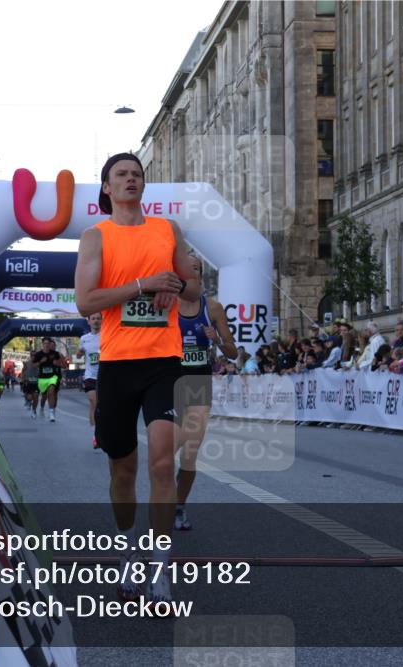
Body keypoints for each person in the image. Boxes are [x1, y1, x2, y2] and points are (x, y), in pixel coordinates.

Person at [74, 152, 199, 606]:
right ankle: (128, 548)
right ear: (106, 188)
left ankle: (161, 569)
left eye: (137, 174)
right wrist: (143, 285)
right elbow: (86, 302)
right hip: (117, 364)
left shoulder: (167, 230)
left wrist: (177, 286)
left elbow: (195, 288)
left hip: (164, 361)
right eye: (122, 175)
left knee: (163, 463)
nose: (131, 179)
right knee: (122, 470)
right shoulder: (96, 237)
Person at [174, 256, 237, 531]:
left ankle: (178, 506)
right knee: (165, 452)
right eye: (186, 268)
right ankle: (162, 498)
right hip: (167, 380)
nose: (191, 273)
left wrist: (218, 341)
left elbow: (234, 352)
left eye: (196, 269)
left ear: (200, 276)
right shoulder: (166, 305)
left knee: (190, 451)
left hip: (198, 380)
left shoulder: (212, 307)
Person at [76, 312, 103, 448]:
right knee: (95, 402)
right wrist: (79, 353)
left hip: (105, 376)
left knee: (97, 406)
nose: (96, 321)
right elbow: (79, 353)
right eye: (93, 319)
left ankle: (101, 431)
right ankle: (95, 436)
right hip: (90, 376)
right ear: (89, 321)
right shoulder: (84, 338)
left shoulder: (107, 335)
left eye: (98, 318)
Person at [31, 337, 65, 421]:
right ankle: (36, 409)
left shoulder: (55, 353)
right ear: (42, 344)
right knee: (41, 397)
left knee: (51, 392)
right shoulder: (38, 354)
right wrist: (40, 362)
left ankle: (51, 413)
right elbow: (34, 366)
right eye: (45, 343)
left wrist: (58, 362)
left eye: (48, 343)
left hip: (52, 377)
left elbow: (63, 365)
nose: (46, 345)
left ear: (50, 345)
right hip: (42, 378)